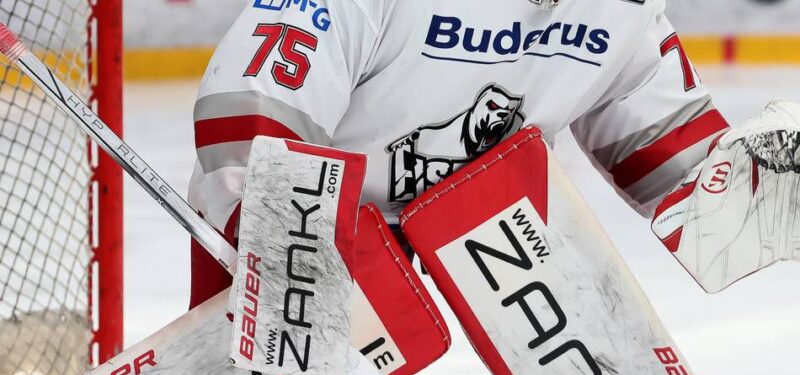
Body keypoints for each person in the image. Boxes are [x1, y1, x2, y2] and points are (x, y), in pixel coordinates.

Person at [189, 0, 735, 307]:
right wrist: (281, 237)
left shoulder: (625, 10)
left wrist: (759, 181)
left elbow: (675, 156)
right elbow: (254, 110)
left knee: (604, 348)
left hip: (486, 228)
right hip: (313, 222)